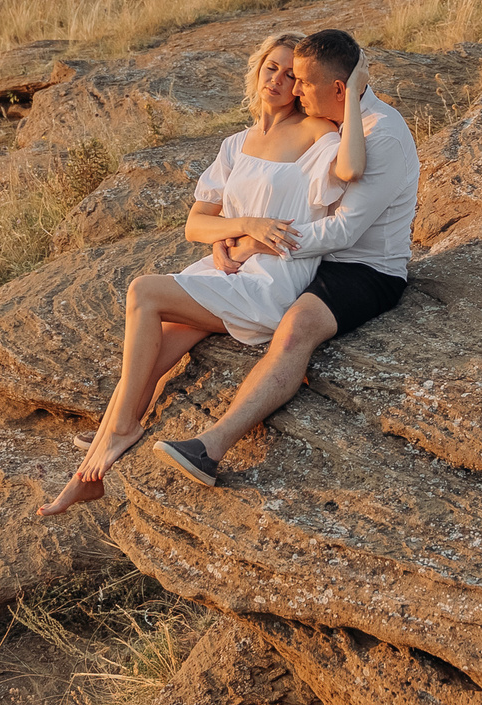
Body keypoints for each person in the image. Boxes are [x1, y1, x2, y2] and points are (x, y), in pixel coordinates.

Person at [37, 32, 368, 517]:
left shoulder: (316, 131)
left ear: (301, 85)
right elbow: (196, 224)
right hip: (225, 270)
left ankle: (122, 429)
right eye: (271, 68)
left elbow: (352, 169)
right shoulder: (236, 144)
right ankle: (86, 479)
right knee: (147, 361)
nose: (279, 80)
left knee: (144, 292)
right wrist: (240, 227)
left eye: (291, 75)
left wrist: (354, 92)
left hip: (270, 280)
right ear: (257, 69)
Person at [153, 27, 416, 488]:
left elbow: (343, 231)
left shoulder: (382, 135)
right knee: (189, 310)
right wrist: (231, 232)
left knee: (295, 330)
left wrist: (258, 243)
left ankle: (209, 448)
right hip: (310, 255)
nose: (296, 91)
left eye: (304, 82)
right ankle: (121, 421)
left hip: (363, 269)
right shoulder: (332, 123)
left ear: (339, 89)